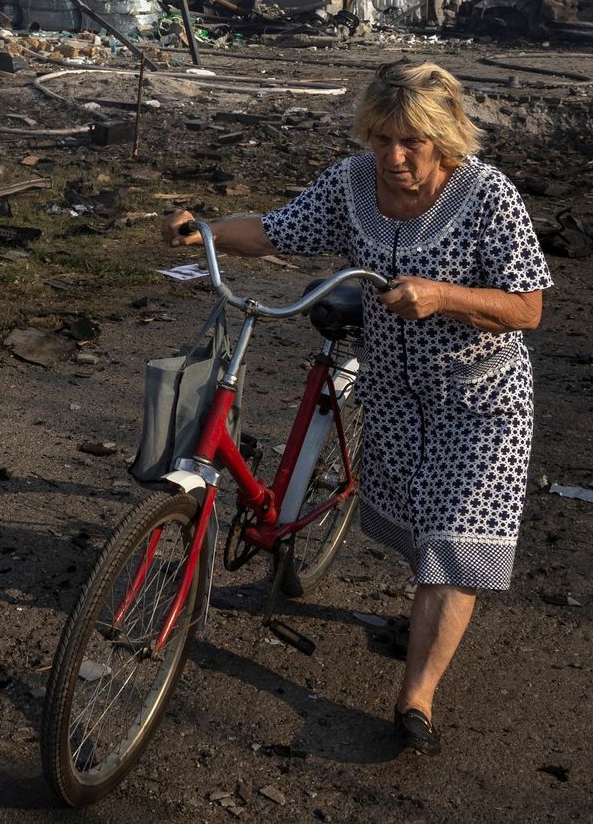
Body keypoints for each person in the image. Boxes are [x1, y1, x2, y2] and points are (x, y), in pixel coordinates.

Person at [163, 59, 551, 757]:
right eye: (381, 140)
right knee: (413, 525)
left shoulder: (488, 196)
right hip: (393, 393)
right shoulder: (351, 184)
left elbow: (527, 307)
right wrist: (209, 231)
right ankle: (420, 624)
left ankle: (416, 698)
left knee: (458, 544)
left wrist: (443, 296)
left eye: (412, 143)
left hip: (481, 398)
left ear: (445, 140)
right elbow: (276, 231)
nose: (394, 158)